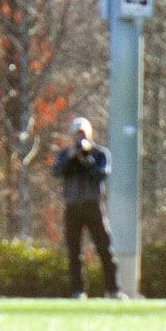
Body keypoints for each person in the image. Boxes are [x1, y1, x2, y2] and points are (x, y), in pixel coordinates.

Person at [54, 117, 121, 299]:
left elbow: (101, 174)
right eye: (76, 134)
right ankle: (78, 290)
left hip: (93, 205)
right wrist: (72, 158)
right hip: (72, 206)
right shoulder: (66, 154)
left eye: (82, 133)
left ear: (89, 134)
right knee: (74, 251)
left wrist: (86, 159)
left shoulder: (100, 154)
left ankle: (113, 289)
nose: (79, 138)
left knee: (105, 248)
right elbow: (57, 172)